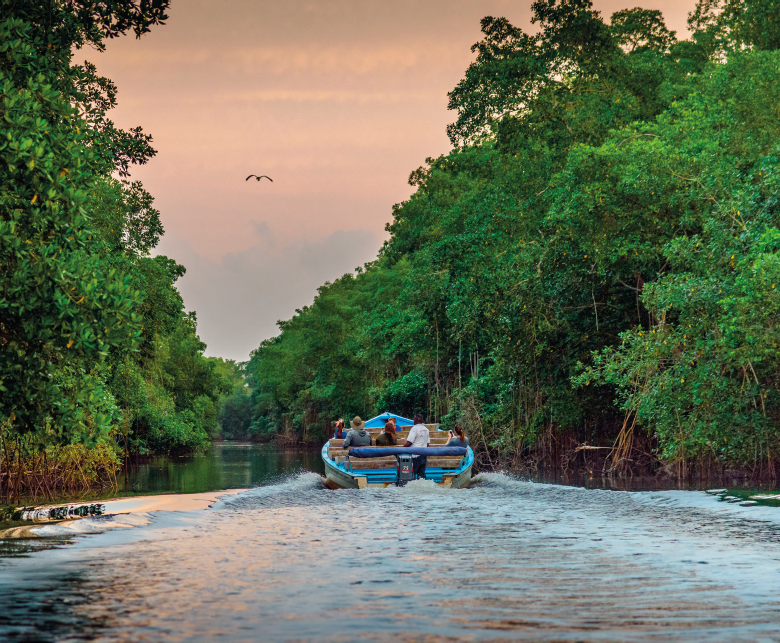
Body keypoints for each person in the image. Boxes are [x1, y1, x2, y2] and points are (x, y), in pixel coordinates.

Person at [404, 413, 429, 479]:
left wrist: (402, 449)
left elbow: (409, 442)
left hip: (416, 455)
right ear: (422, 421)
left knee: (413, 474)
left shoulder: (414, 429)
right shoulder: (426, 430)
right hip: (424, 454)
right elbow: (428, 444)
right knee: (421, 476)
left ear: (415, 421)